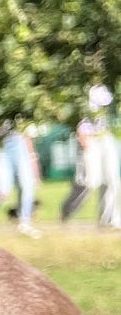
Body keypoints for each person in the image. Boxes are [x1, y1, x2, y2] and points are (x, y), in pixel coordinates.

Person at [62, 86, 119, 227]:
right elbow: (80, 114)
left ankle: (109, 219)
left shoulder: (109, 79)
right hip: (89, 137)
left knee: (111, 180)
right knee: (88, 182)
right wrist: (82, 135)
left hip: (105, 135)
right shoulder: (85, 85)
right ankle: (66, 211)